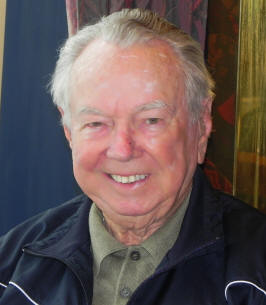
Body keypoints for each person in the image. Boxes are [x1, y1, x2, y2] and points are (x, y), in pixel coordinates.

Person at [0, 8, 265, 305]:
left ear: (201, 124)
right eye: (96, 123)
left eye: (151, 120)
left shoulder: (255, 278)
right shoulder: (10, 268)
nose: (123, 150)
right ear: (69, 131)